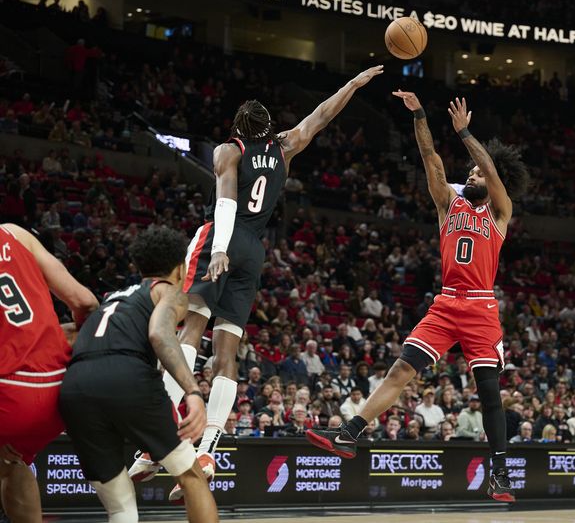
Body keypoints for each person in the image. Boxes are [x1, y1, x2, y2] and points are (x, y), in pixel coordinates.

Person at [158, 65, 382, 501]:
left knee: (189, 330)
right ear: (269, 127)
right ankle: (208, 450)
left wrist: (218, 248)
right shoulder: (285, 147)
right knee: (226, 353)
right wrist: (353, 85)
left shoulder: (229, 150)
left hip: (224, 238)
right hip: (254, 250)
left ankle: (163, 431)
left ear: (237, 128)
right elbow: (321, 115)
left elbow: (225, 201)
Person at [309, 92, 528, 502]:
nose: (472, 176)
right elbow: (430, 157)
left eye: (478, 173)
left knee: (488, 393)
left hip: (480, 306)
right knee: (400, 370)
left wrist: (464, 133)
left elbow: (490, 169)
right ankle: (349, 434)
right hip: (446, 303)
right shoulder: (448, 203)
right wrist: (420, 116)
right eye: (470, 173)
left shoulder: (500, 211)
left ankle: (500, 474)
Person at [58, 228, 218, 523]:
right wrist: (193, 392)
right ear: (180, 268)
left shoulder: (111, 300)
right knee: (192, 477)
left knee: (121, 508)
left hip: (75, 387)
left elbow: (67, 336)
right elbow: (159, 333)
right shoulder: (167, 291)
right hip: (127, 376)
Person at [0, 224, 98, 522]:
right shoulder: (15, 233)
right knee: (13, 462)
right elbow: (86, 303)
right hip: (60, 388)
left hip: (8, 394)